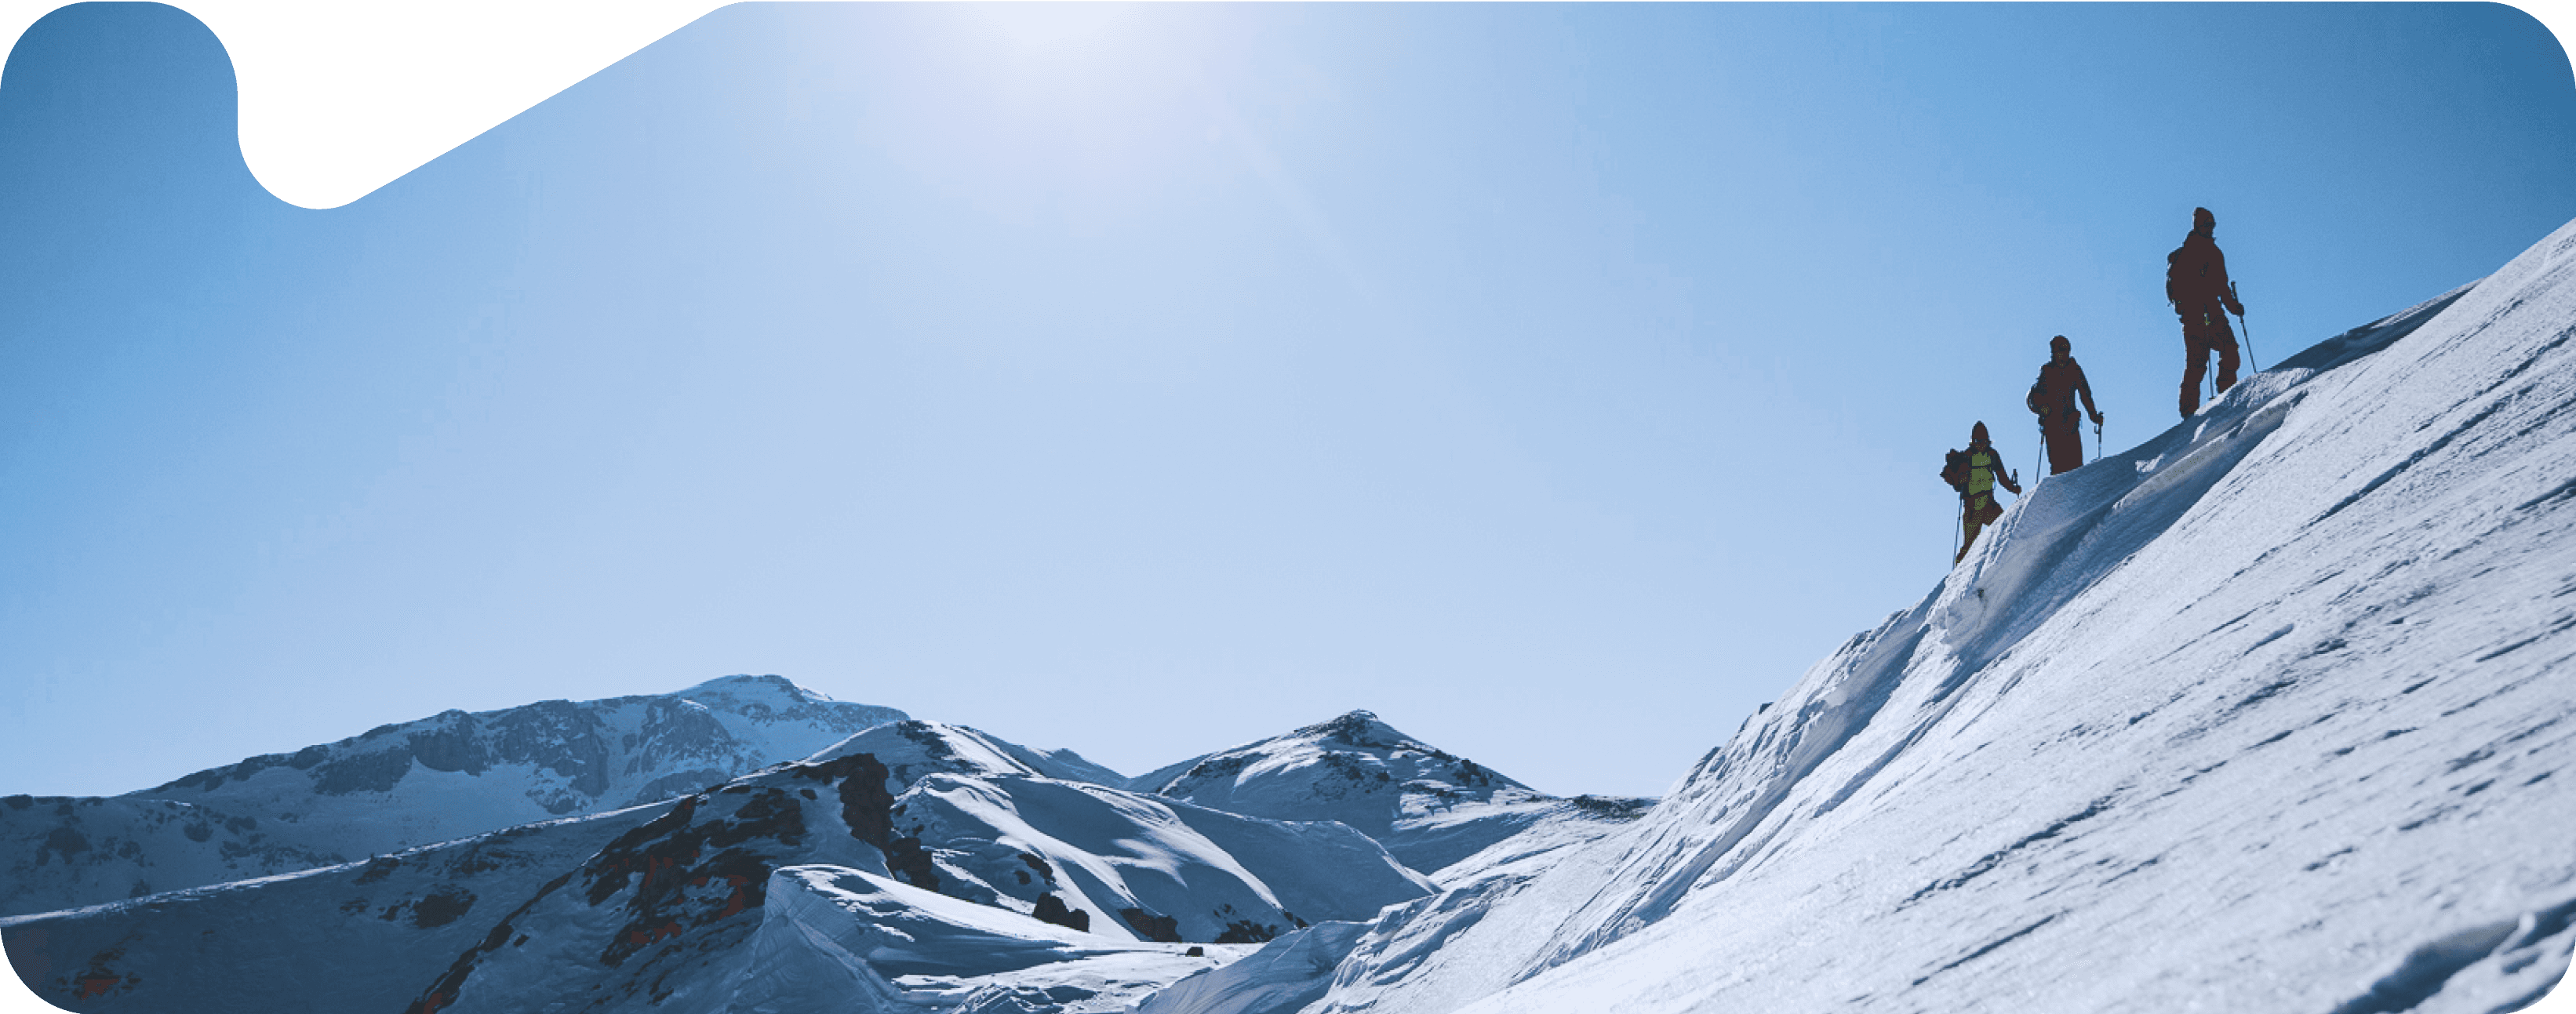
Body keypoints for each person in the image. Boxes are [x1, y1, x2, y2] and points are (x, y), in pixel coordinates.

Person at [2167, 206, 2245, 418]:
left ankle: (2222, 398)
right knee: (2200, 365)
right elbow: (2219, 287)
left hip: (2205, 315)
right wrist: (2232, 306)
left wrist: (2233, 307)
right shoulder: (2190, 254)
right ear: (2198, 225)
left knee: (2222, 355)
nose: (2210, 228)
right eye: (2207, 224)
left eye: (2212, 225)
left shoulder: (2212, 253)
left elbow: (2222, 286)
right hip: (2198, 318)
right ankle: (2194, 411)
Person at [1941, 421, 2022, 565]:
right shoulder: (1967, 457)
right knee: (1969, 547)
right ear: (1973, 442)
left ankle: (2005, 562)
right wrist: (1961, 480)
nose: (1981, 444)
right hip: (1972, 508)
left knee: (2006, 527)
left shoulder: (1992, 455)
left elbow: (2002, 477)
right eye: (1978, 441)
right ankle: (1958, 579)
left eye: (1983, 441)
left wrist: (2012, 489)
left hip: (1988, 504)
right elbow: (1956, 481)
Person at [2025, 335, 2105, 475]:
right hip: (2054, 426)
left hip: (2069, 424)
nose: (2064, 355)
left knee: (2075, 467)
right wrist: (2042, 408)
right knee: (2058, 467)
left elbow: (2085, 394)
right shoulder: (2048, 371)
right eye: (2060, 352)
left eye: (2066, 351)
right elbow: (2036, 397)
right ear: (2054, 354)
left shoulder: (2074, 369)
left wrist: (2093, 415)